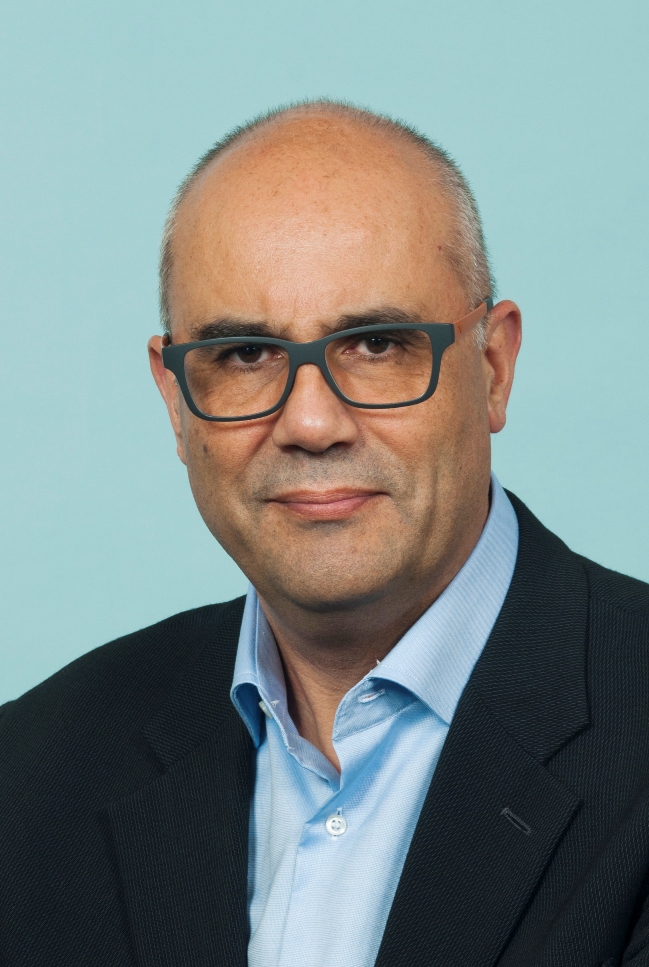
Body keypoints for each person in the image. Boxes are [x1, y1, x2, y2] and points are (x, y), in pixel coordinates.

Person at [1, 101, 649, 967]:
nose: (311, 423)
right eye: (244, 354)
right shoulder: (29, 774)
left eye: (376, 345)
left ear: (493, 367)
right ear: (175, 398)